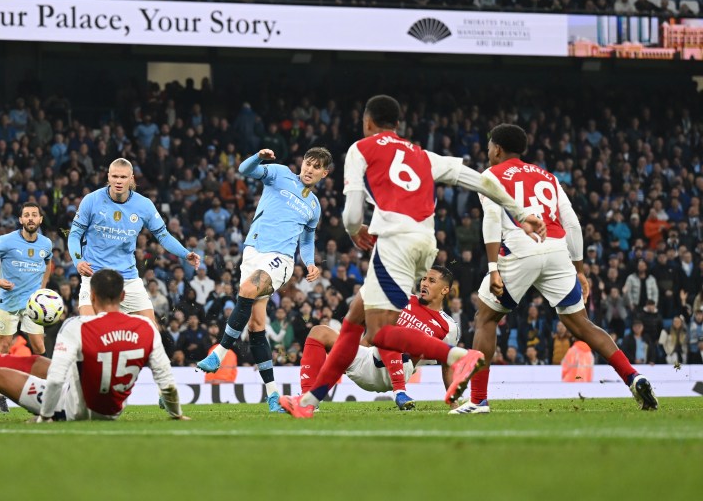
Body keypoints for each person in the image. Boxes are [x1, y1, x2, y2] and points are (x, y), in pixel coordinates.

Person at [280, 95, 545, 418]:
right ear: (398, 124)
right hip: (424, 242)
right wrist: (520, 212)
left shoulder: (360, 149)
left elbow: (351, 214)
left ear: (367, 123)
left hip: (394, 240)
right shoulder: (421, 153)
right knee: (352, 322)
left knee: (377, 332)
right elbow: (477, 179)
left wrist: (354, 230)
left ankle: (458, 356)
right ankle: (308, 402)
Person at [456, 124, 656, 414]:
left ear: (497, 148)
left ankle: (477, 400)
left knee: (486, 318)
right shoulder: (546, 176)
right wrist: (579, 269)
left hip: (520, 249)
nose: (487, 152)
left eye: (489, 147)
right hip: (557, 249)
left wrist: (492, 267)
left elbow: (491, 219)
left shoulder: (491, 175)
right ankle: (633, 376)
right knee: (582, 324)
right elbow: (572, 223)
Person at [0, 270, 189, 422]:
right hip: (108, 408)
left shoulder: (79, 326)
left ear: (91, 297)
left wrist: (46, 415)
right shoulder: (147, 328)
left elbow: (55, 381)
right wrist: (176, 414)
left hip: (76, 409)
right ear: (123, 297)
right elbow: (168, 384)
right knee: (38, 363)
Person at [197, 147, 330, 412]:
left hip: (279, 260)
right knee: (257, 325)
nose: (309, 169)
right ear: (301, 163)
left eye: (316, 167)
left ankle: (219, 354)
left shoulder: (314, 207)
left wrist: (310, 262)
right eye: (307, 163)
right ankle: (272, 396)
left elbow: (306, 238)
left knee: (247, 289)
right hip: (252, 252)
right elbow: (244, 170)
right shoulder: (280, 174)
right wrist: (257, 157)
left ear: (324, 174)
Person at [301, 266, 460, 406]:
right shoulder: (403, 298)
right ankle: (307, 401)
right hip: (371, 359)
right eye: (424, 279)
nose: (424, 283)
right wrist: (346, 355)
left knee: (391, 332)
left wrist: (454, 402)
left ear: (445, 290)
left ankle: (400, 393)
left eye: (432, 281)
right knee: (319, 332)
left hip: (401, 367)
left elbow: (447, 365)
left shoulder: (449, 326)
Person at [67, 158, 200, 323]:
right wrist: (78, 261)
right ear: (108, 177)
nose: (118, 181)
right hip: (95, 275)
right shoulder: (91, 200)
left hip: (127, 278)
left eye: (123, 177)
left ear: (131, 179)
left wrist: (185, 254)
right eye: (115, 176)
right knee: (90, 330)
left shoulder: (144, 205)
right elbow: (74, 235)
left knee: (151, 332)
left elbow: (163, 236)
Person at [0, 201, 53, 413]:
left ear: (40, 219)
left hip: (32, 304)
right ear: (20, 220)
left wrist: (42, 288)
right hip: (9, 301)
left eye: (34, 214)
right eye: (26, 215)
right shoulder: (6, 240)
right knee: (4, 347)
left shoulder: (46, 244)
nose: (30, 218)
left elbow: (48, 264)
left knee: (39, 347)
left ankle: (46, 392)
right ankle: (0, 395)